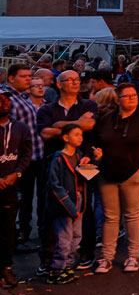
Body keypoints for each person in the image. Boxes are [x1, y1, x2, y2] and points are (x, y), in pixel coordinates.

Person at [92, 83, 139, 274]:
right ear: (118, 99)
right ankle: (106, 257)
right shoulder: (106, 120)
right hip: (107, 173)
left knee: (132, 214)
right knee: (110, 217)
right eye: (127, 96)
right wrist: (95, 152)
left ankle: (133, 256)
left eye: (134, 95)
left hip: (134, 175)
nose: (132, 98)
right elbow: (95, 139)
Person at [35, 69, 97, 275]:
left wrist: (60, 126)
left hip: (81, 167)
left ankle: (82, 253)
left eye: (77, 80)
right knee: (50, 211)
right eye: (69, 80)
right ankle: (48, 257)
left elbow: (90, 125)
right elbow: (45, 133)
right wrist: (78, 126)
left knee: (83, 210)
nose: (74, 83)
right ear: (59, 84)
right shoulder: (46, 109)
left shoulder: (88, 105)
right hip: (54, 166)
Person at [45, 123, 94, 284]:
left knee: (76, 236)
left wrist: (96, 160)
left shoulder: (79, 156)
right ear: (66, 138)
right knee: (64, 237)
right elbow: (54, 185)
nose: (80, 137)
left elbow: (88, 175)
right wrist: (69, 206)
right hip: (64, 204)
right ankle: (57, 269)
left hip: (79, 199)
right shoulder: (58, 159)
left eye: (81, 134)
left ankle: (67, 265)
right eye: (76, 134)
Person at [2, 63, 41, 248]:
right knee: (21, 198)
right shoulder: (9, 100)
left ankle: (23, 232)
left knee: (27, 198)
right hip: (21, 161)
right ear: (11, 78)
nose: (28, 79)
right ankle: (20, 236)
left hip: (35, 156)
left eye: (29, 76)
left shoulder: (23, 97)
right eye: (24, 76)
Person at [0, 94, 32, 289]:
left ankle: (6, 266)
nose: (4, 102)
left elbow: (26, 153)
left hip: (11, 186)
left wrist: (17, 173)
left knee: (8, 228)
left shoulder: (20, 128)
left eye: (6, 99)